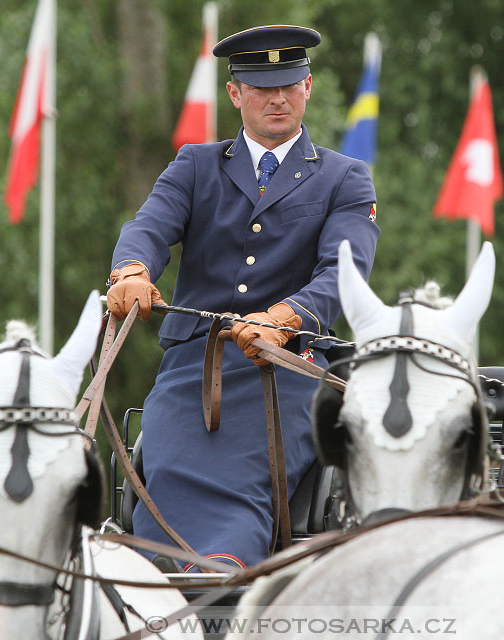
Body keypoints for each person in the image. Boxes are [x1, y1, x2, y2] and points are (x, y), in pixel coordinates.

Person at [105, 25, 379, 569]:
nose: (277, 98)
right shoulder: (195, 165)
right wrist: (131, 272)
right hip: (191, 369)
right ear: (235, 94)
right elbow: (149, 226)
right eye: (260, 87)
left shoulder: (345, 179)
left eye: (289, 84)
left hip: (287, 370)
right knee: (162, 463)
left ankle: (221, 574)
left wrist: (284, 318)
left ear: (308, 87)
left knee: (250, 477)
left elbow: (343, 274)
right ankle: (155, 577)